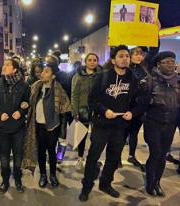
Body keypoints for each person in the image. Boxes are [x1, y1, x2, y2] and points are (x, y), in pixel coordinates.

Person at [79, 45, 142, 202]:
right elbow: (92, 100)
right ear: (113, 60)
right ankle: (86, 187)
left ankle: (105, 184)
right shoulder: (103, 76)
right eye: (121, 56)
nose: (125, 58)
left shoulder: (133, 79)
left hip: (120, 127)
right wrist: (103, 110)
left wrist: (132, 113)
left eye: (127, 56)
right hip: (101, 124)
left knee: (113, 158)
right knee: (93, 157)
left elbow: (138, 102)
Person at [23, 62, 71, 188]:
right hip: (38, 126)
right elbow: (28, 103)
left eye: (46, 71)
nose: (42, 73)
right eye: (43, 71)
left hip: (52, 127)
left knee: (51, 152)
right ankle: (43, 175)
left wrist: (62, 134)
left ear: (53, 76)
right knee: (40, 152)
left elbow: (64, 113)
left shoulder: (59, 91)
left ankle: (53, 175)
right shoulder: (36, 87)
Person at [0, 59, 30, 193]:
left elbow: (27, 103)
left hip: (18, 127)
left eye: (7, 65)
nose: (4, 66)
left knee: (18, 156)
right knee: (4, 156)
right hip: (2, 127)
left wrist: (22, 111)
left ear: (15, 69)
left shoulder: (23, 85)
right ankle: (5, 181)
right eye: (3, 64)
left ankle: (17, 179)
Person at [141, 51, 179, 197]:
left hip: (170, 124)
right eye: (167, 62)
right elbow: (141, 103)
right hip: (153, 124)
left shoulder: (178, 81)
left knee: (163, 154)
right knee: (155, 152)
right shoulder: (150, 81)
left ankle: (157, 182)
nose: (171, 64)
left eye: (173, 61)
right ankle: (150, 183)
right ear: (158, 64)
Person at [71, 53, 99, 169]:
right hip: (82, 110)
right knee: (81, 136)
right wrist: (75, 111)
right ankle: (80, 158)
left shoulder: (101, 76)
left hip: (98, 110)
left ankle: (93, 159)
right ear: (85, 62)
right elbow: (74, 94)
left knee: (96, 137)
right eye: (90, 60)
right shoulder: (78, 76)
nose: (92, 62)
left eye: (94, 60)